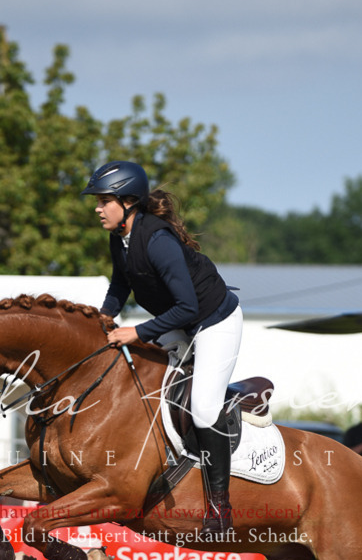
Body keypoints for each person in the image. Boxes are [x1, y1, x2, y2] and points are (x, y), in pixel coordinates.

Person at [82, 160, 242, 539]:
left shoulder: (158, 240)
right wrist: (101, 321)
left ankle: (221, 507)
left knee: (203, 407)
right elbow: (120, 286)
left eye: (104, 201)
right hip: (180, 324)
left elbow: (187, 307)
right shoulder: (119, 237)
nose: (97, 208)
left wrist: (135, 331)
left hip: (214, 321)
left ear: (128, 201)